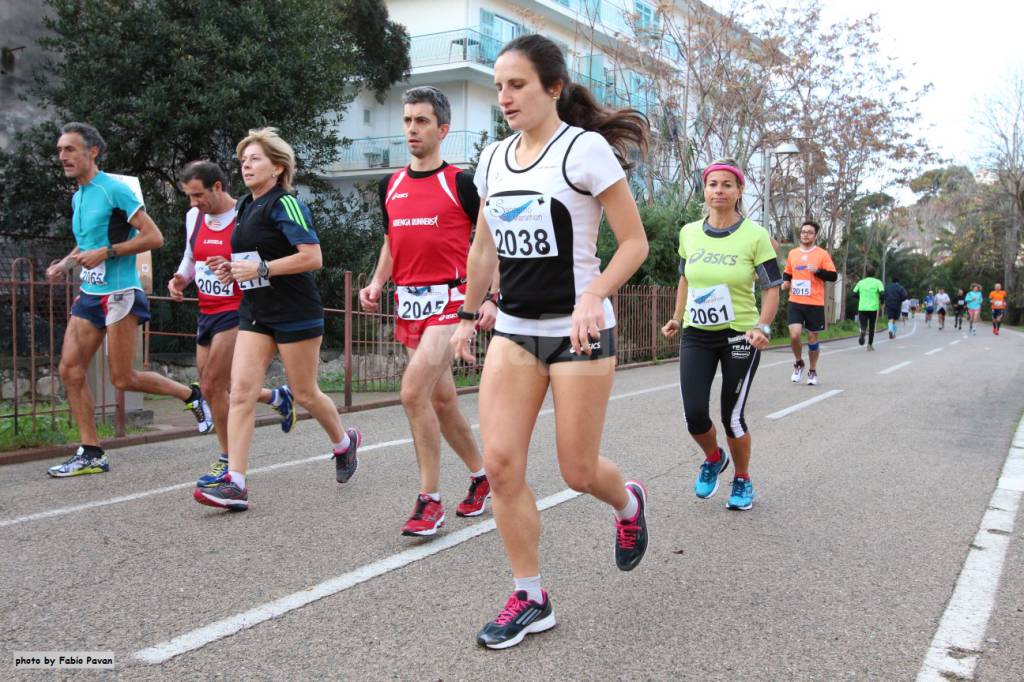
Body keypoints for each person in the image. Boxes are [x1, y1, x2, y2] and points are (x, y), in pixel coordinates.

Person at [448, 35, 650, 649]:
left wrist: (595, 295)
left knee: (577, 470)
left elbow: (634, 243)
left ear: (553, 87)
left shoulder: (584, 151)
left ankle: (628, 504)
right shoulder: (491, 160)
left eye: (517, 85)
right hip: (514, 330)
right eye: (499, 86)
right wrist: (466, 312)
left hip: (579, 331)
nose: (504, 97)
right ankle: (530, 595)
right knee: (502, 465)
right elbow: (484, 248)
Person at [193, 128, 360, 511]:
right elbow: (254, 261)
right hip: (255, 311)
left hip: (294, 310)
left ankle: (344, 443)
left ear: (278, 167)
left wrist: (262, 268)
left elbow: (312, 257)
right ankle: (235, 482)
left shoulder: (286, 203)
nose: (246, 165)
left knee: (304, 393)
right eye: (243, 160)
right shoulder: (244, 207)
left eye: (255, 159)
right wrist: (231, 267)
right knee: (241, 391)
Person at [360, 86, 498, 536]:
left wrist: (491, 298)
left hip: (453, 302)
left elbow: (489, 243)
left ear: (442, 129)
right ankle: (481, 477)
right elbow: (391, 241)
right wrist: (379, 281)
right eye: (407, 121)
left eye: (421, 121)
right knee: (441, 400)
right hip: (409, 302)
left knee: (412, 392)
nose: (412, 129)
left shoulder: (461, 182)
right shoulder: (391, 185)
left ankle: (429, 500)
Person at [45, 122, 212, 477]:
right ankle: (91, 452)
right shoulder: (79, 195)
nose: (62, 156)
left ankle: (191, 395)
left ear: (92, 151)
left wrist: (107, 252)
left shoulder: (114, 190)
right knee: (70, 370)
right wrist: (67, 261)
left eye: (70, 149)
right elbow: (88, 241)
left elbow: (154, 237)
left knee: (122, 377)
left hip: (120, 293)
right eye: (60, 150)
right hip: (90, 293)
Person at [661, 157, 781, 514]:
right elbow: (685, 277)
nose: (719, 191)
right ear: (705, 189)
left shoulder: (756, 236)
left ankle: (742, 478)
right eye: (713, 184)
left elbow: (773, 286)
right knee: (695, 414)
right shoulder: (689, 232)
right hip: (697, 333)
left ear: (739, 191)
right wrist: (677, 317)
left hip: (740, 336)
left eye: (727, 185)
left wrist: (762, 326)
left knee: (732, 416)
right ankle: (714, 458)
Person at [167, 160, 296, 487]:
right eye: (189, 197)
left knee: (210, 385)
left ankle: (228, 462)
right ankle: (276, 397)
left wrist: (236, 269)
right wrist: (182, 278)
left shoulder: (243, 215)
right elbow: (190, 256)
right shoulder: (194, 217)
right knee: (218, 389)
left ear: (218, 188)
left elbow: (256, 262)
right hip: (207, 310)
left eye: (198, 195)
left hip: (239, 308)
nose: (194, 203)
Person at [781, 220, 836, 385]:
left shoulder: (822, 254)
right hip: (795, 301)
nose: (805, 234)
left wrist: (818, 271)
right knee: (795, 334)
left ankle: (812, 370)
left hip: (815, 303)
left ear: (815, 235)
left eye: (809, 232)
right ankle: (799, 363)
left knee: (812, 339)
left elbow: (833, 276)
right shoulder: (793, 253)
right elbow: (787, 273)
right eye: (803, 231)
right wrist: (786, 283)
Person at [852, 265, 885, 350]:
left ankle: (862, 331)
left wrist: (861, 298)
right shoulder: (878, 282)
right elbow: (882, 294)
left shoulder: (860, 282)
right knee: (872, 326)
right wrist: (882, 303)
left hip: (862, 307)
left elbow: (854, 294)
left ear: (866, 273)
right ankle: (869, 345)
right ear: (874, 274)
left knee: (863, 324)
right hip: (873, 308)